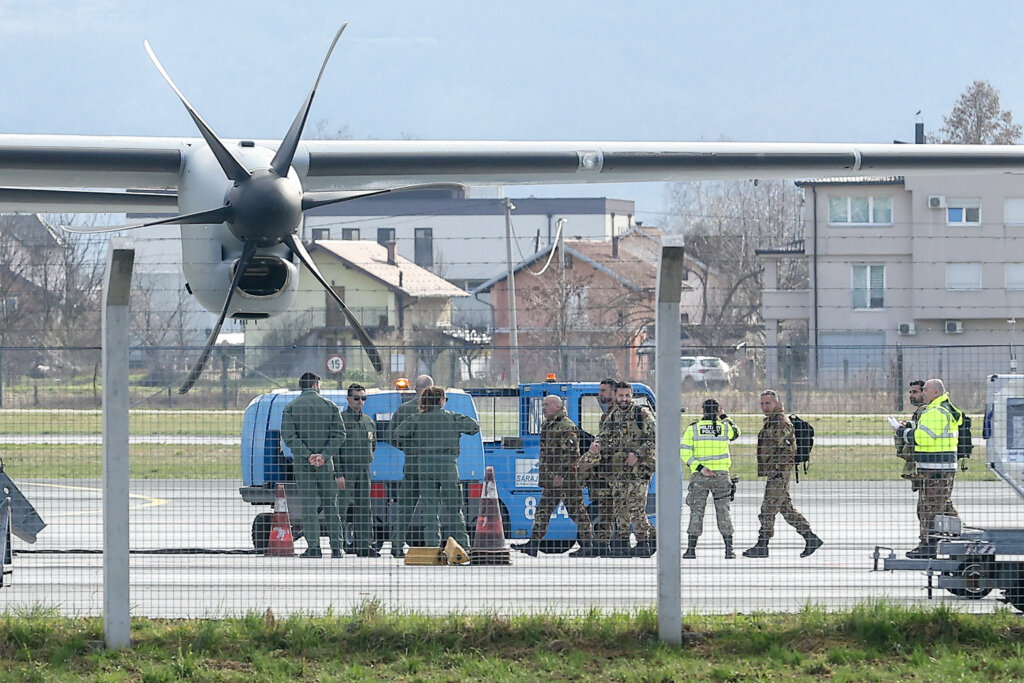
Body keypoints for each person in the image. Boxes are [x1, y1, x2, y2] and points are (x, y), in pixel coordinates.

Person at [392, 386, 479, 550]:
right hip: (448, 467)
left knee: (430, 509)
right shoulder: (452, 418)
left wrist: (414, 447)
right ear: (440, 401)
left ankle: (432, 546)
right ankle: (464, 546)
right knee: (454, 508)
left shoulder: (416, 418)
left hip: (424, 466)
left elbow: (397, 434)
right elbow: (474, 427)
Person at [743, 389, 822, 559]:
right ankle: (810, 538)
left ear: (776, 403)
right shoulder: (771, 422)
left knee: (767, 509)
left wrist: (779, 470)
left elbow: (789, 450)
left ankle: (762, 544)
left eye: (768, 403)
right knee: (785, 508)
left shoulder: (781, 422)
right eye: (762, 404)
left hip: (779, 472)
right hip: (775, 471)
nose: (765, 407)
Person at [582, 381, 656, 558]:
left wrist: (638, 454)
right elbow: (604, 436)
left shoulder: (641, 414)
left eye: (628, 396)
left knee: (635, 506)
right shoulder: (613, 416)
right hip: (619, 470)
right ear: (616, 396)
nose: (624, 399)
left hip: (639, 469)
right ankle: (622, 543)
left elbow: (656, 437)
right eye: (621, 396)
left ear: (632, 396)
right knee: (619, 507)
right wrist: (596, 445)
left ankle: (645, 541)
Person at [279, 372, 347, 558]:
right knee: (331, 505)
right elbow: (340, 435)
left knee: (308, 505)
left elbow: (289, 436)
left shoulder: (291, 408)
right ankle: (336, 547)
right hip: (325, 464)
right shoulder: (330, 406)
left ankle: (314, 547)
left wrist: (308, 455)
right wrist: (323, 455)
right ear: (316, 384)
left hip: (303, 463)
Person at [515, 395, 593, 557]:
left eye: (547, 405)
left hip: (566, 480)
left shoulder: (566, 427)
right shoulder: (548, 425)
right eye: (543, 405)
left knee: (577, 511)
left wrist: (561, 474)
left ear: (558, 407)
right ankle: (533, 543)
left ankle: (588, 544)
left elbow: (572, 455)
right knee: (542, 511)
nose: (543, 408)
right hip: (551, 479)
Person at [893, 378, 962, 558]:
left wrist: (901, 432)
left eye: (925, 390)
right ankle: (956, 538)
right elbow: (927, 431)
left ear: (936, 392)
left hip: (935, 469)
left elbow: (923, 438)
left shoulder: (936, 412)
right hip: (937, 468)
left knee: (928, 509)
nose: (922, 393)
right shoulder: (940, 410)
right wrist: (910, 427)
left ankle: (928, 547)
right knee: (941, 506)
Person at [681, 398, 740, 559]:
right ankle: (729, 549)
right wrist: (724, 416)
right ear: (717, 411)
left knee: (696, 511)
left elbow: (685, 453)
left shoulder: (693, 429)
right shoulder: (724, 427)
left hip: (700, 475)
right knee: (723, 511)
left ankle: (691, 550)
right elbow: (736, 433)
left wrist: (700, 468)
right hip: (721, 475)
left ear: (703, 410)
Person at [386, 374, 434, 558]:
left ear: (415, 388)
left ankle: (397, 546)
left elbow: (391, 436)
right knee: (431, 507)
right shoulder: (435, 409)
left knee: (405, 506)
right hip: (432, 464)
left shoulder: (404, 409)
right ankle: (432, 547)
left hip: (412, 462)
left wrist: (408, 448)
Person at [336, 383, 380, 558]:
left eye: (363, 398)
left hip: (364, 470)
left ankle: (364, 544)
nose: (360, 402)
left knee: (364, 508)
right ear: (348, 399)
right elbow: (336, 450)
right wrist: (338, 473)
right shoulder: (341, 420)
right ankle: (336, 544)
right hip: (346, 470)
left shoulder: (368, 422)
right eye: (356, 398)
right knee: (341, 508)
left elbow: (373, 445)